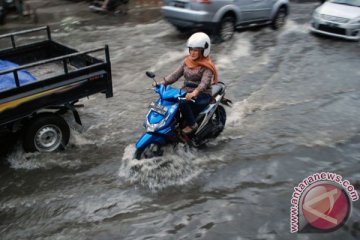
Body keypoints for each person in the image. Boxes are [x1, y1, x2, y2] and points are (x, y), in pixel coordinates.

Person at [161, 32, 218, 134]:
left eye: (196, 50)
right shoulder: (187, 62)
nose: (192, 53)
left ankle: (192, 124)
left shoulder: (207, 67)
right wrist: (163, 82)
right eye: (191, 49)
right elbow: (175, 75)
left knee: (183, 102)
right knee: (169, 100)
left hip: (202, 94)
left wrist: (195, 92)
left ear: (204, 51)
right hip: (186, 92)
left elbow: (204, 83)